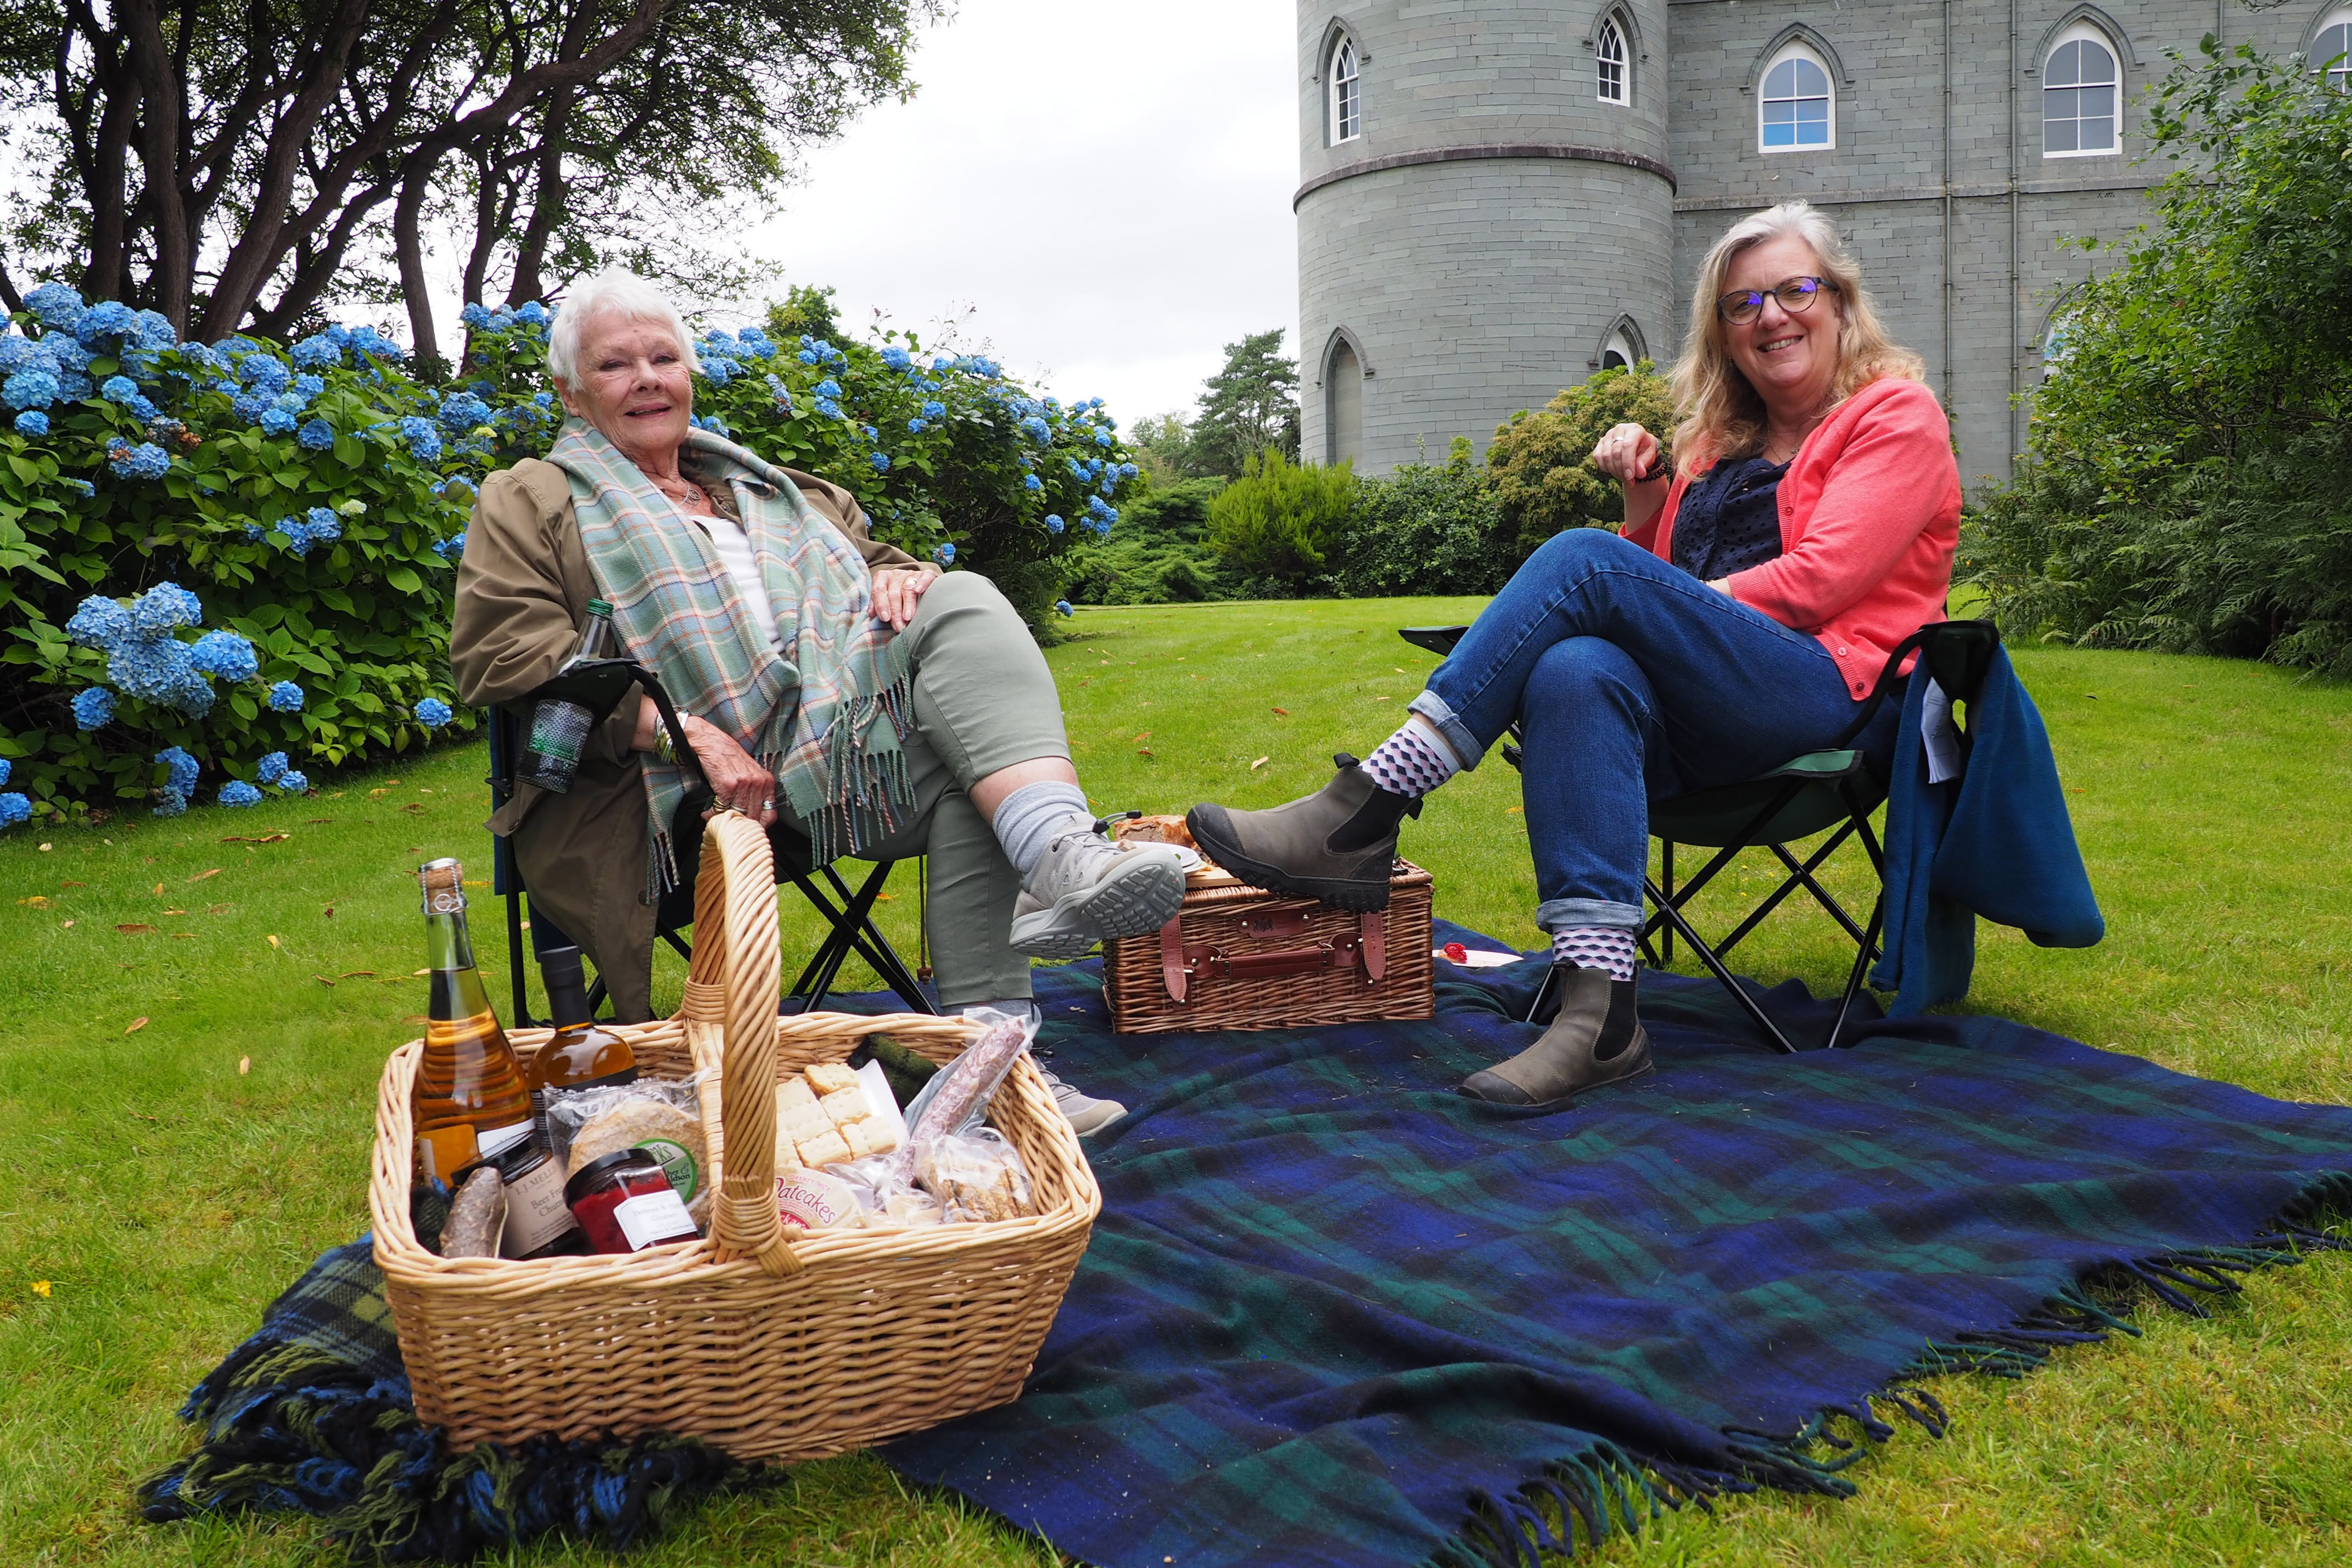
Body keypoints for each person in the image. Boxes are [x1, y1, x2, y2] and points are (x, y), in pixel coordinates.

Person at [1188, 201, 1960, 1109]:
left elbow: (1820, 582)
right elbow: (1662, 577)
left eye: (1794, 291)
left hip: (1827, 699)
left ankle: (1366, 809)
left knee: (1587, 566)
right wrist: (1645, 502)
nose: (1771, 318)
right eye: (1742, 304)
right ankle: (1602, 1019)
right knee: (1574, 668)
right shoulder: (1714, 443)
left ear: (1839, 302)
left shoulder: (1896, 416)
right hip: (1701, 714)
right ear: (1721, 330)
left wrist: (1652, 595)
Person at [451, 268, 1183, 1135]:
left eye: (664, 357)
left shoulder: (772, 491)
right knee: (961, 764)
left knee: (962, 609)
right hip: (667, 807)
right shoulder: (531, 500)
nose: (648, 377)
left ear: (690, 374)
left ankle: (998, 1036)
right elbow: (503, 654)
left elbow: (874, 565)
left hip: (824, 766)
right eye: (616, 365)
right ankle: (1006, 1011)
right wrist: (683, 734)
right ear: (573, 394)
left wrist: (900, 577)